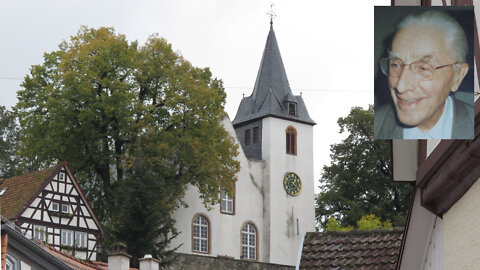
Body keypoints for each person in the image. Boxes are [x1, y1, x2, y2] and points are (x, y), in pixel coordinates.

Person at [374, 10, 473, 139]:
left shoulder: (473, 124)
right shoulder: (373, 125)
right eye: (395, 65)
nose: (401, 86)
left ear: (458, 76)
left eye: (423, 68)